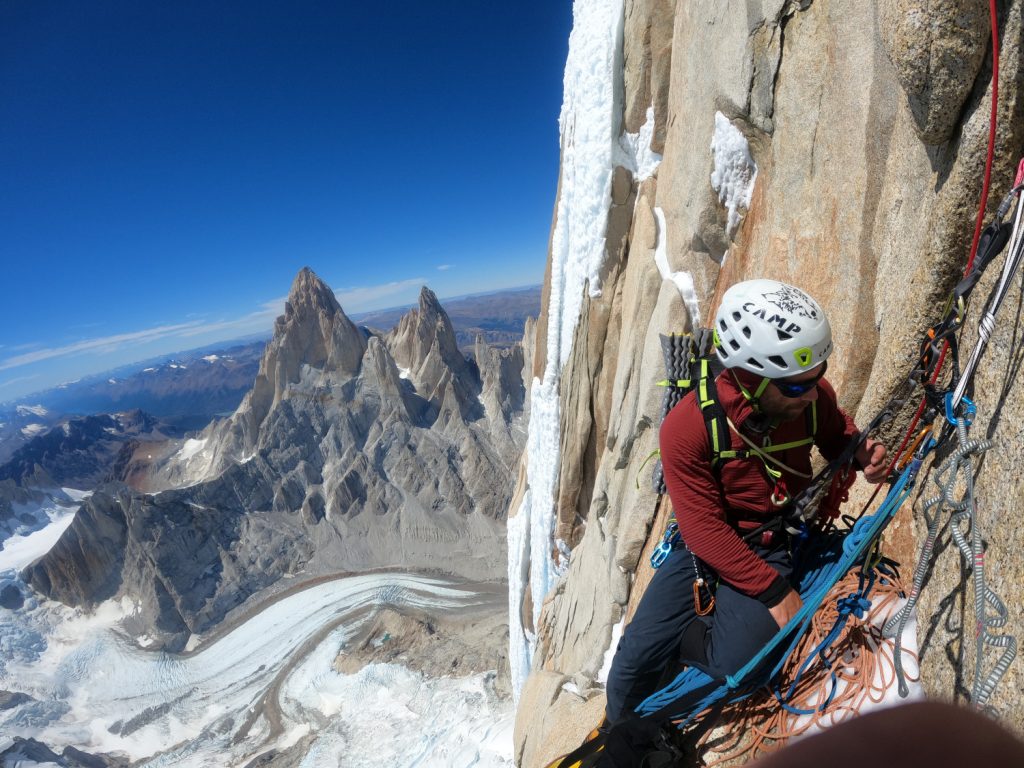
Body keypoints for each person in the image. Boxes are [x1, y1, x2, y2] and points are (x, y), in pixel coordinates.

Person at [599, 279, 889, 766]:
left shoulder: (810, 397)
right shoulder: (687, 428)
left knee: (745, 664)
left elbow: (835, 431)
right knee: (629, 668)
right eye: (795, 385)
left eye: (817, 377)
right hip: (706, 546)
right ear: (749, 375)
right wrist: (774, 593)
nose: (811, 393)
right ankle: (619, 732)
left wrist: (860, 452)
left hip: (772, 540)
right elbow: (703, 530)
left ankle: (689, 641)